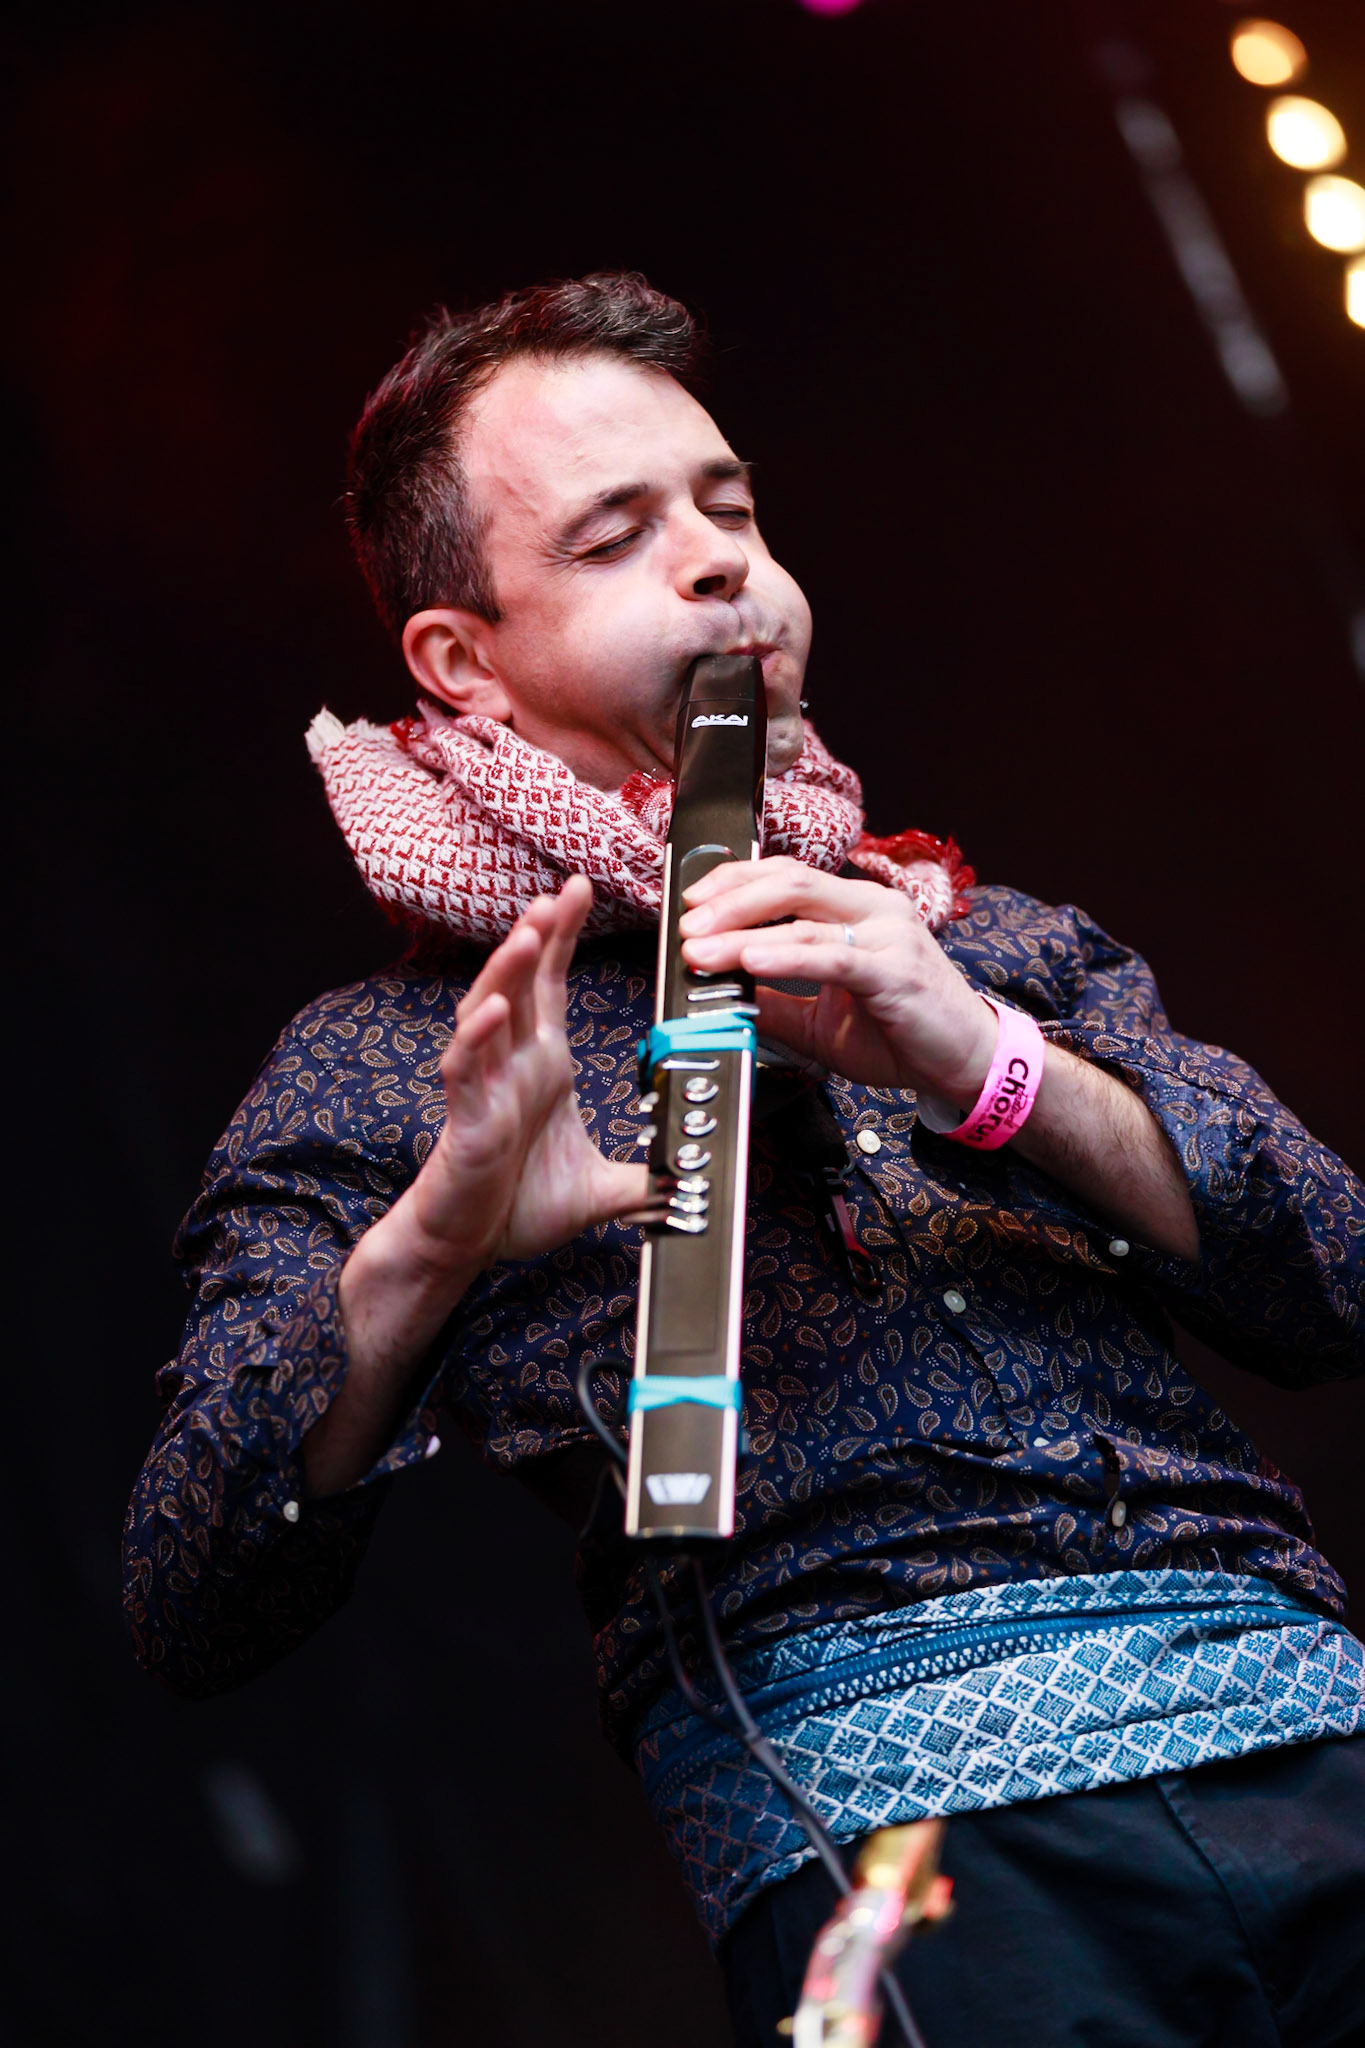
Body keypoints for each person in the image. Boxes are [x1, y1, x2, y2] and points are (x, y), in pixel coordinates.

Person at [124, 273, 1365, 2046]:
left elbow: (1339, 1276)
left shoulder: (972, 937)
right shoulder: (393, 1056)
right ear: (460, 658)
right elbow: (192, 1591)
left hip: (1315, 1734)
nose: (721, 564)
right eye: (621, 535)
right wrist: (434, 1239)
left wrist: (988, 1066)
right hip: (880, 1847)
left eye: (732, 509)